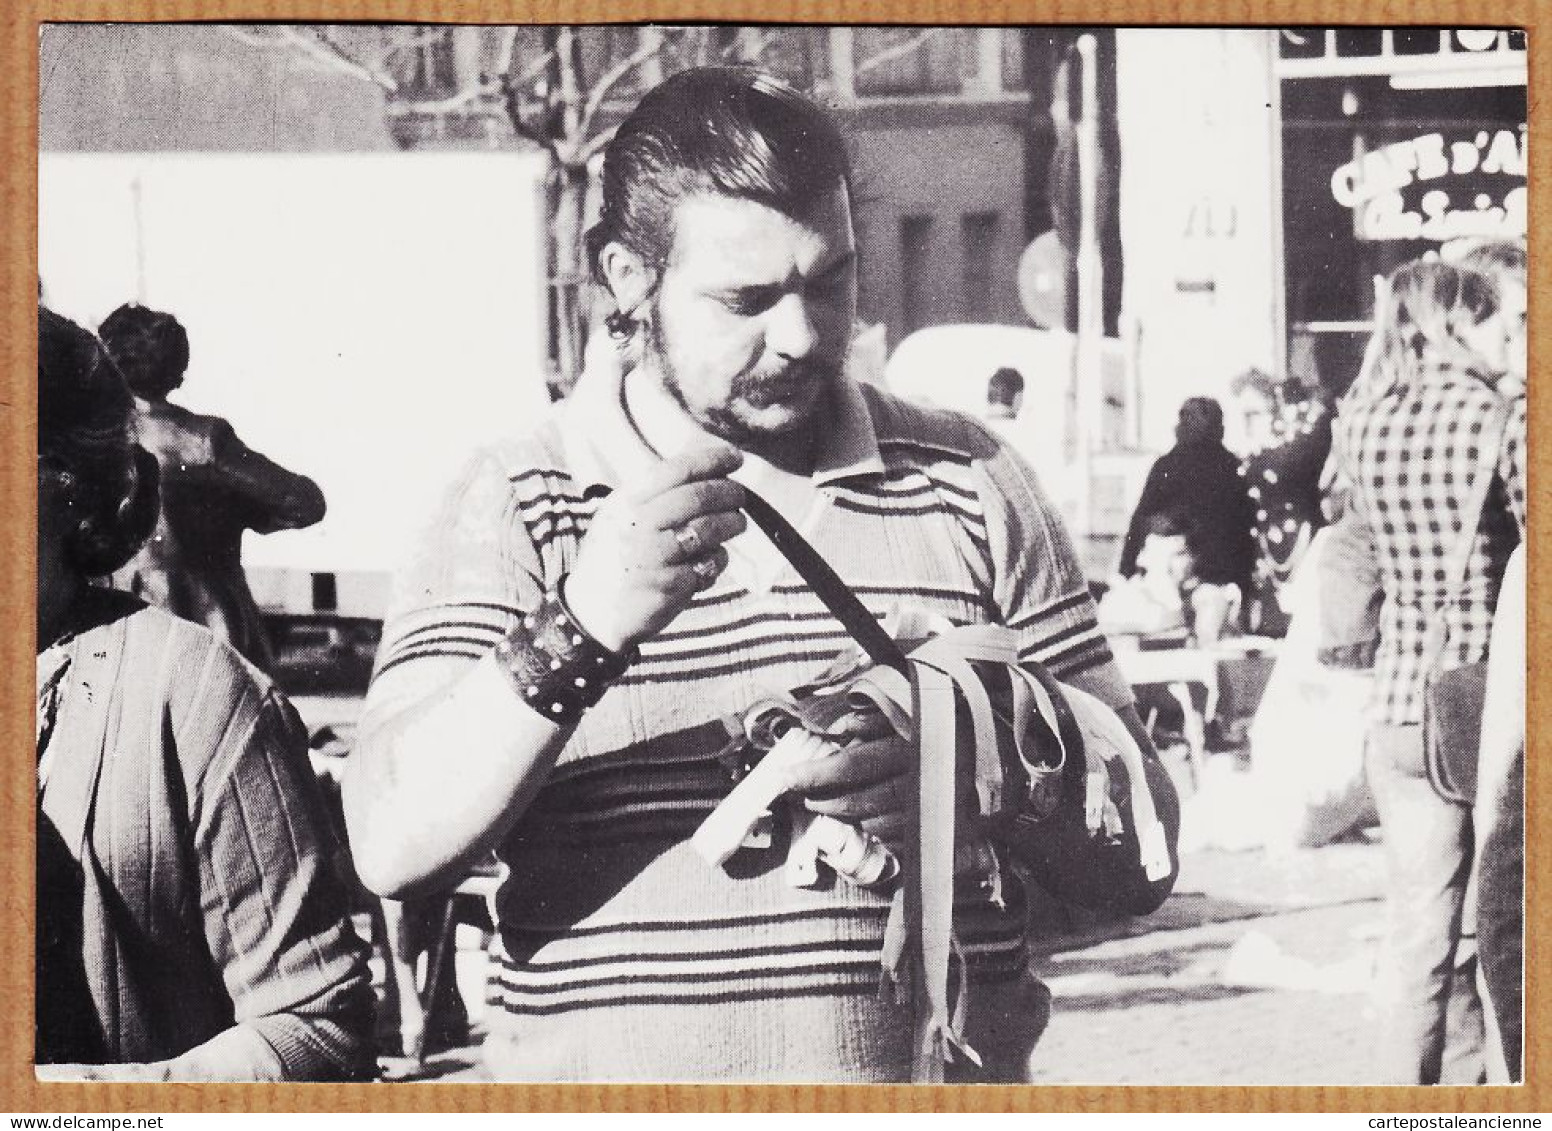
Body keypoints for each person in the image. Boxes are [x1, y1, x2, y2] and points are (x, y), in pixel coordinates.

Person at [347, 67, 1150, 1083]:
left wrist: (974, 780)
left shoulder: (971, 480)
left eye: (833, 280)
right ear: (627, 274)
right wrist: (583, 625)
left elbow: (1141, 850)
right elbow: (388, 842)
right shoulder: (517, 496)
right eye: (748, 298)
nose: (805, 335)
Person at [36, 308, 372, 1081]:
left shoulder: (196, 687)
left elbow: (321, 1029)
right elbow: (298, 502)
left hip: (178, 676)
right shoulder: (197, 444)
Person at [1330, 257, 1525, 1085]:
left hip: (1398, 703)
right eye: (1496, 322)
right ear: (1460, 324)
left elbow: (1356, 543)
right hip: (1482, 701)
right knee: (1503, 920)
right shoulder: (1493, 416)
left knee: (1420, 933)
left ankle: (1400, 1099)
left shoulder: (1364, 417)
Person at [98, 303, 326, 673]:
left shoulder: (92, 441)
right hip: (213, 637)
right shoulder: (206, 441)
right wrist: (235, 506)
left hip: (121, 637)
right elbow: (305, 503)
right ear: (177, 366)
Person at [1118, 397, 1256, 605]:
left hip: (1211, 576)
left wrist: (1127, 569)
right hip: (1181, 575)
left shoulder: (1228, 468)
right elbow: (1140, 521)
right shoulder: (1169, 466)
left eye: (1190, 417)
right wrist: (1126, 570)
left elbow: (1242, 527)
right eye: (1183, 417)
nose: (1182, 423)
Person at [1231, 368, 1331, 636]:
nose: (1247, 426)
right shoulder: (1243, 466)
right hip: (1262, 562)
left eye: (1254, 416)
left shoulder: (1296, 455)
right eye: (1242, 416)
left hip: (1299, 547)